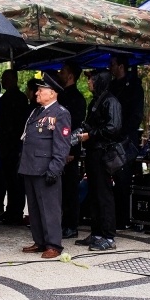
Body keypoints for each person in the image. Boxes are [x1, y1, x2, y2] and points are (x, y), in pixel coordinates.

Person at [18, 73, 71, 258]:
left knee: (50, 208)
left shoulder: (60, 113)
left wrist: (54, 169)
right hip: (31, 166)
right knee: (33, 207)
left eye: (41, 90)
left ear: (52, 93)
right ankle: (39, 241)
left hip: (46, 168)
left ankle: (53, 244)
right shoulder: (36, 111)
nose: (37, 93)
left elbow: (62, 145)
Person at [75, 69, 123, 251]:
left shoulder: (111, 101)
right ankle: (96, 233)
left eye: (91, 79)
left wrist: (91, 134)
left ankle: (108, 237)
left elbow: (114, 127)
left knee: (104, 195)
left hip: (104, 154)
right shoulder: (96, 101)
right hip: (93, 153)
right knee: (94, 194)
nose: (88, 82)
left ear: (99, 81)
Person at [109, 54, 144, 230]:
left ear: (121, 66)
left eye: (113, 64)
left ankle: (122, 218)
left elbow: (136, 115)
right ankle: (113, 217)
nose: (110, 68)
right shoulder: (112, 86)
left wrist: (122, 133)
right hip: (112, 139)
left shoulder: (134, 87)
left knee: (123, 179)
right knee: (111, 179)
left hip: (126, 140)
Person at [0, 68, 29, 224]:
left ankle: (15, 211)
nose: (3, 81)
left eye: (6, 78)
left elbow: (18, 123)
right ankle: (8, 210)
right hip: (4, 145)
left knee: (15, 182)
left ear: (14, 79)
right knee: (5, 180)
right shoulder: (5, 98)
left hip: (13, 145)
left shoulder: (19, 99)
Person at [58, 61, 87, 239]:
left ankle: (71, 225)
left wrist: (70, 149)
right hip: (59, 148)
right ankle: (62, 223)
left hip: (69, 148)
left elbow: (76, 127)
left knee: (70, 188)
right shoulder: (61, 95)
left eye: (63, 71)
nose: (59, 74)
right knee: (60, 189)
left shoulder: (77, 98)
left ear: (70, 76)